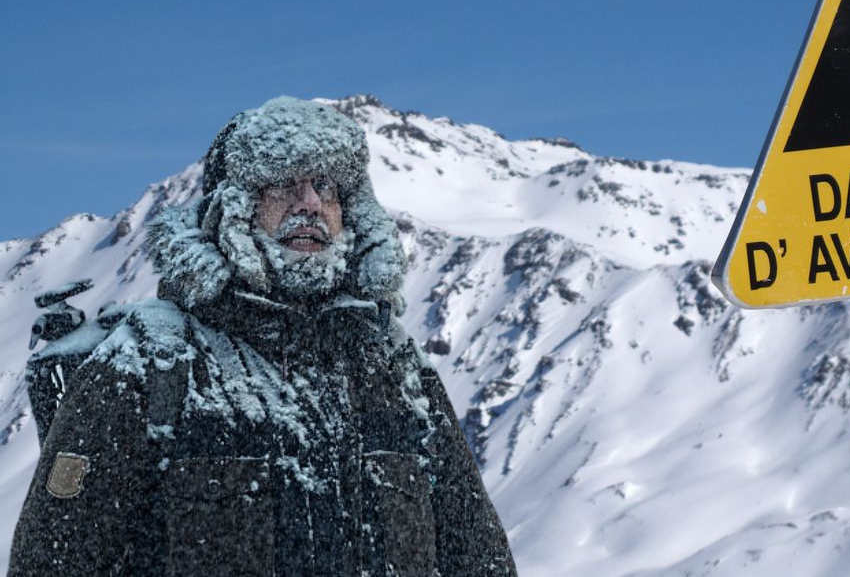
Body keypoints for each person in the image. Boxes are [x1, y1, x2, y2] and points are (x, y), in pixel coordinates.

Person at [10, 96, 518, 576]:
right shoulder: (149, 364)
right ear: (230, 209)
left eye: (326, 186)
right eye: (281, 184)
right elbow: (52, 563)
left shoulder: (394, 367)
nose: (310, 204)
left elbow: (480, 560)